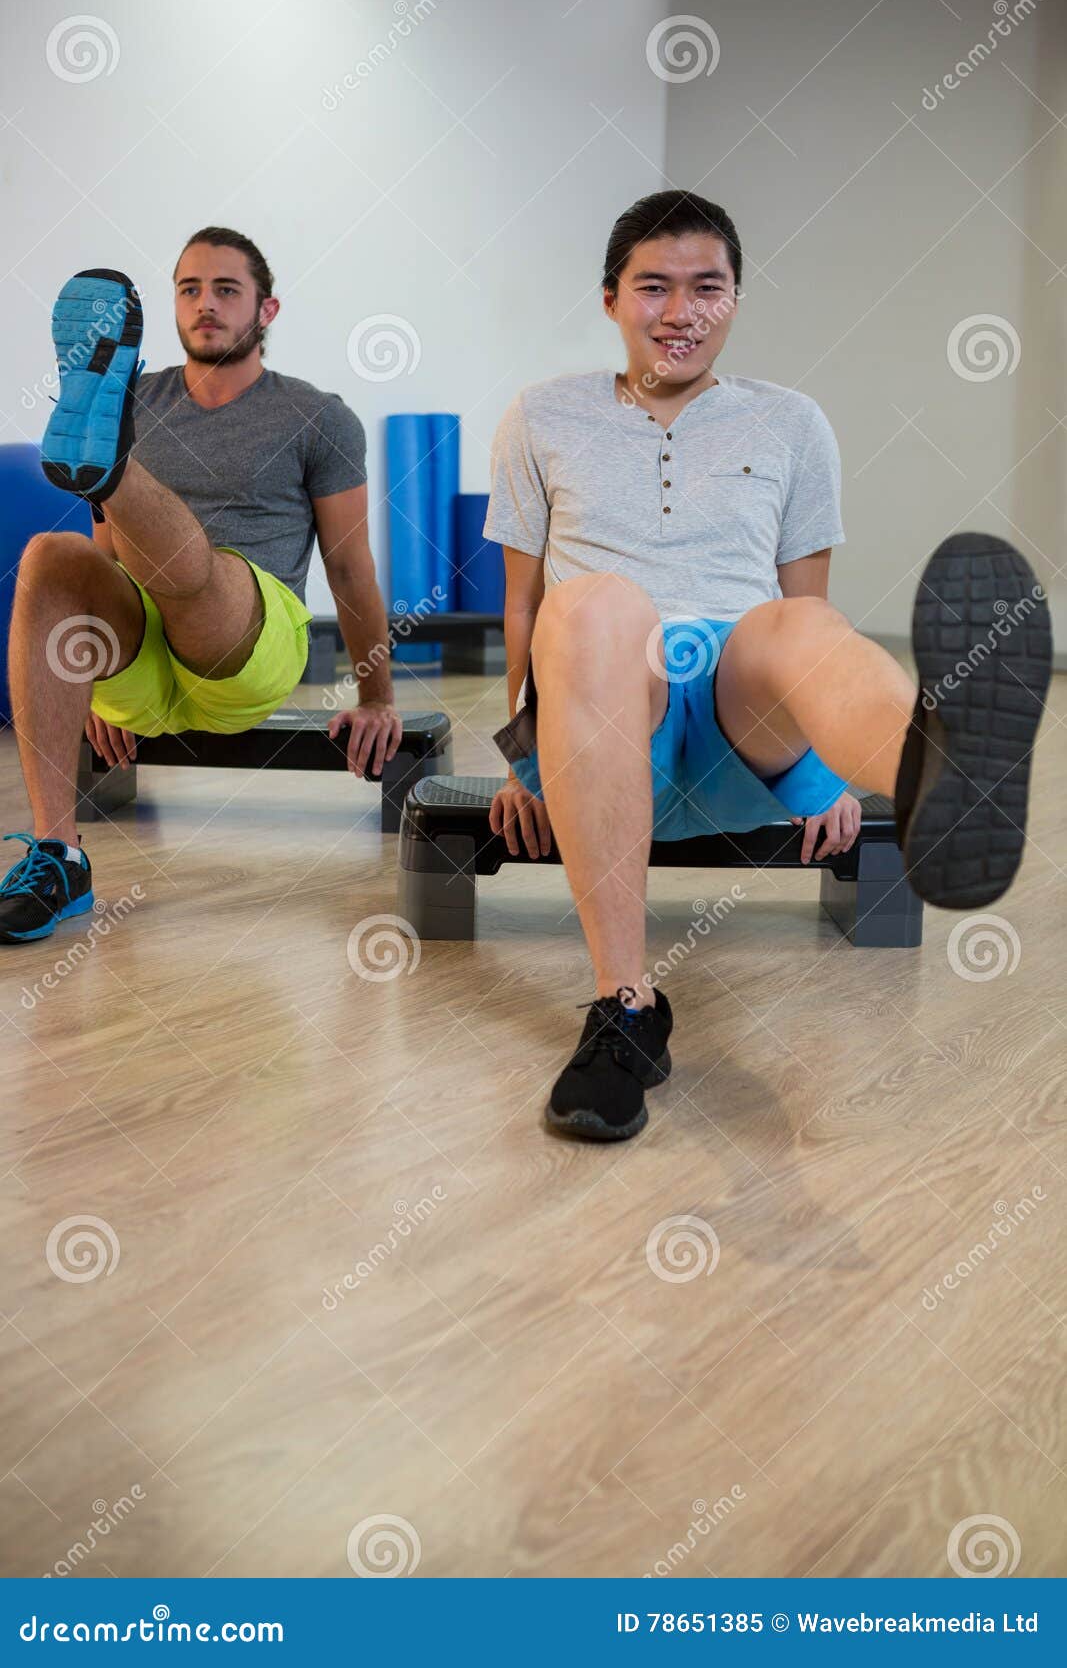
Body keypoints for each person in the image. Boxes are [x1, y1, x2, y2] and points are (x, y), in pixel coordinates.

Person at [483, 189, 1052, 1144]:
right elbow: (523, 606)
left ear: (736, 299)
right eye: (654, 287)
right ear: (612, 300)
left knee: (786, 626)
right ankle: (625, 1010)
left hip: (750, 733)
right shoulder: (541, 416)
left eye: (707, 287)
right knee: (595, 603)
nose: (681, 311)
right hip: (602, 704)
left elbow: (810, 610)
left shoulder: (792, 423)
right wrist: (519, 759)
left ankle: (923, 772)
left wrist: (828, 762)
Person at [1, 226, 403, 943]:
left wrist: (375, 696)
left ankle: (109, 471)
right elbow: (106, 556)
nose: (205, 304)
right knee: (52, 555)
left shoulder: (318, 417)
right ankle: (59, 857)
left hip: (248, 644)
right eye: (189, 289)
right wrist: (86, 677)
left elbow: (349, 565)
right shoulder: (140, 397)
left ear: (266, 311)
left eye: (226, 289)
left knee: (202, 571)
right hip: (143, 650)